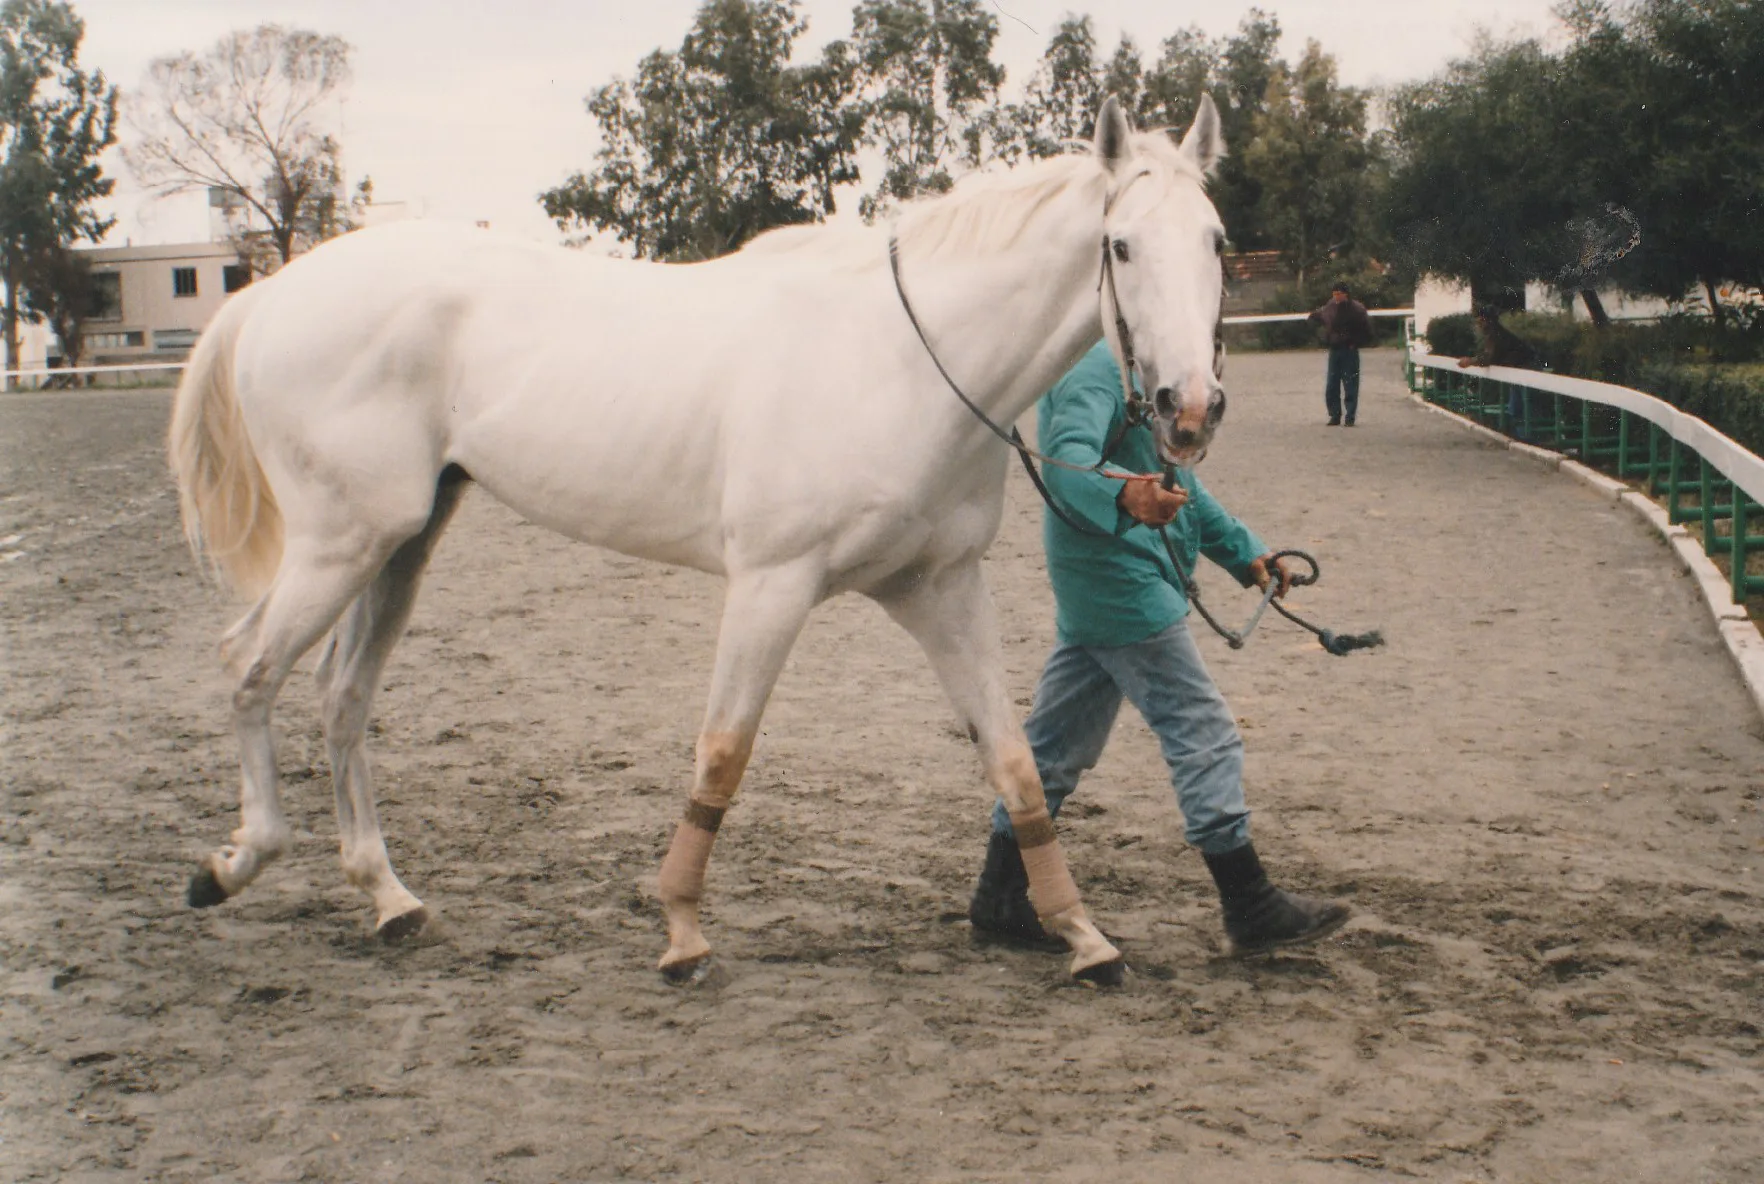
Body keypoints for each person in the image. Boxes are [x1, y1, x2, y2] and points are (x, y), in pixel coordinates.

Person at [967, 341, 1351, 958]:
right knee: (1203, 730)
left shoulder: (1136, 365)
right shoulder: (1090, 366)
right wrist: (1125, 495)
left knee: (1056, 747)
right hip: (1123, 584)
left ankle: (1000, 893)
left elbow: (1180, 485)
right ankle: (1249, 903)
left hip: (1104, 580)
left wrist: (1246, 553)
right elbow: (1067, 463)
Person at [1457, 305, 1542, 433]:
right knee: (1516, 409)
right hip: (1517, 375)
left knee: (1524, 409)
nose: (1479, 325)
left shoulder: (1497, 336)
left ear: (1487, 321)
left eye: (1480, 321)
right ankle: (1520, 436)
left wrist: (1470, 362)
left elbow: (1488, 359)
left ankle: (1527, 437)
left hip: (1527, 372)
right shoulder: (1493, 335)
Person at [1307, 282, 1373, 426]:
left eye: (1338, 294)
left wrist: (1355, 343)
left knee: (1350, 384)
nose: (1336, 297)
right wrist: (1313, 317)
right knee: (1332, 385)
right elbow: (1322, 315)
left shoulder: (1357, 309)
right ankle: (1335, 415)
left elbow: (1366, 330)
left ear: (1346, 294)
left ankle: (1350, 416)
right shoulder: (1331, 306)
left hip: (1349, 350)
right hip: (1334, 349)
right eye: (1334, 294)